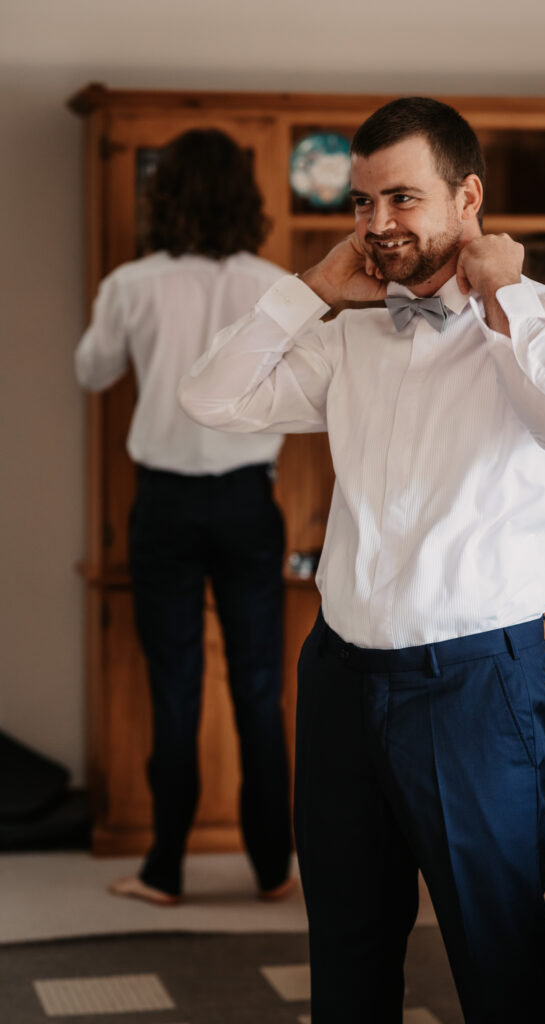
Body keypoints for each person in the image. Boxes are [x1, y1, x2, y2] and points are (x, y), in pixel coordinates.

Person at [178, 98, 545, 1022]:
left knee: (496, 961)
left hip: (472, 689)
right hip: (341, 678)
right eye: (362, 202)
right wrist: (305, 290)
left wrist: (504, 295)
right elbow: (207, 398)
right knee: (345, 958)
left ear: (467, 197)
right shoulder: (349, 335)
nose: (377, 225)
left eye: (402, 198)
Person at [75, 128, 294, 906]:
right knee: (259, 686)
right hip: (247, 499)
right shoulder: (275, 283)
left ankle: (164, 870)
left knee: (175, 688)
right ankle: (274, 869)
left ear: (161, 195)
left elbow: (91, 370)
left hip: (164, 502)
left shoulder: (130, 283)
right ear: (246, 197)